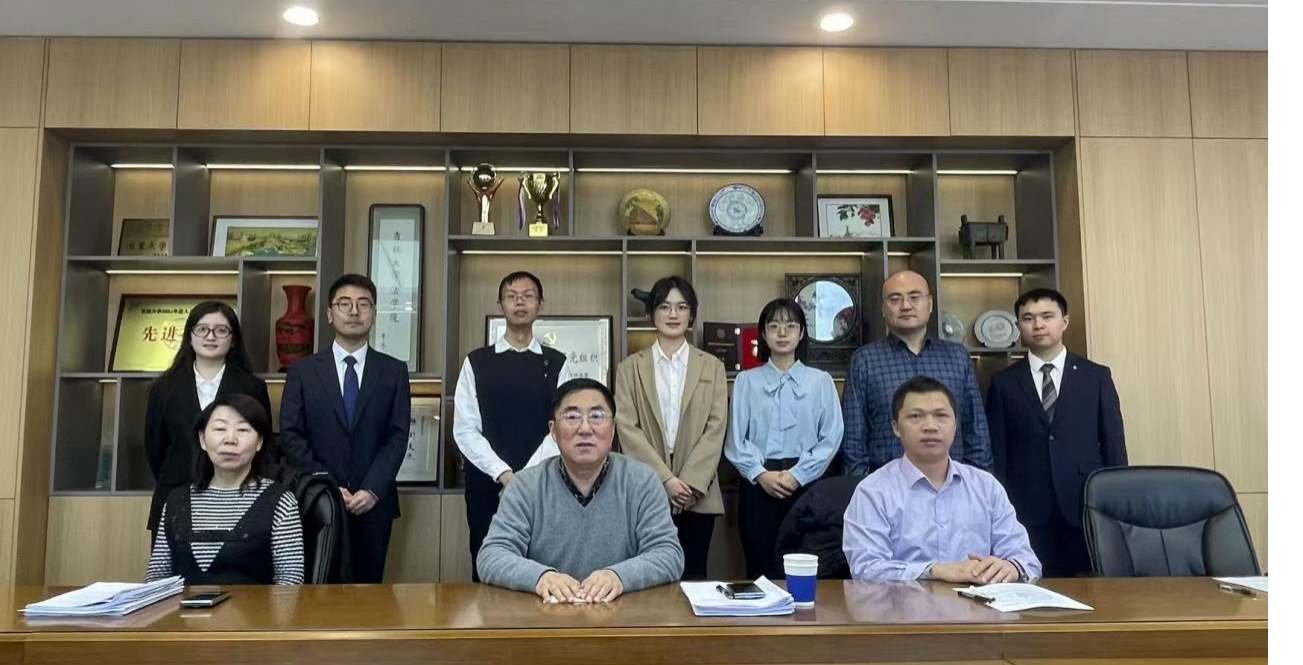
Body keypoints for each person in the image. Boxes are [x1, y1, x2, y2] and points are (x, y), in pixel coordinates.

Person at [477, 379, 684, 601]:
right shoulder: (526, 486)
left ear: (613, 429)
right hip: (545, 615)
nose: (585, 429)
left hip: (622, 616)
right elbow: (492, 556)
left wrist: (619, 576)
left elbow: (668, 554)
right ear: (553, 431)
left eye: (597, 416)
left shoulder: (642, 482)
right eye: (572, 417)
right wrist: (541, 577)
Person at [843, 377, 1041, 583]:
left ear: (955, 425)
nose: (930, 426)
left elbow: (1028, 561)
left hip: (978, 602)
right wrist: (934, 570)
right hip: (903, 603)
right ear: (896, 427)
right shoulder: (873, 492)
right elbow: (865, 569)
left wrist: (1012, 567)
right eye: (915, 416)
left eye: (941, 415)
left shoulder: (986, 487)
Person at [280, 274, 411, 583]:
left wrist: (372, 489)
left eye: (363, 304)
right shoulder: (303, 371)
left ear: (374, 314)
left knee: (368, 593)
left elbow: (397, 436)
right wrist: (327, 485)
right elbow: (291, 434)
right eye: (344, 304)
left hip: (373, 505)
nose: (354, 311)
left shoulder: (394, 371)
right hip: (317, 501)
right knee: (317, 590)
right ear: (329, 313)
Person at [987, 288, 1127, 577]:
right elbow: (998, 452)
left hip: (1084, 502)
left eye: (1047, 316)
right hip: (1026, 506)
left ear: (1064, 322)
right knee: (1031, 584)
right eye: (1028, 318)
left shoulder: (1096, 376)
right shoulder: (1003, 383)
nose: (1038, 325)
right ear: (1018, 326)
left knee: (1091, 588)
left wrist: (1116, 501)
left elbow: (1113, 443)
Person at [453, 271, 572, 581]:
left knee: (544, 568)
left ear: (540, 304)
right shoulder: (476, 362)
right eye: (512, 296)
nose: (520, 302)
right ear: (500, 304)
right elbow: (465, 429)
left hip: (544, 484)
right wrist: (505, 475)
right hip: (487, 485)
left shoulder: (557, 362)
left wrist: (524, 479)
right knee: (487, 565)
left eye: (528, 296)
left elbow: (563, 427)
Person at [614, 276, 726, 580]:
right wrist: (665, 480)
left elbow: (716, 427)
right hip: (647, 490)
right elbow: (627, 427)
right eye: (664, 307)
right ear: (651, 314)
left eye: (681, 307)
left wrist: (688, 484)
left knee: (694, 575)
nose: (673, 314)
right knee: (647, 577)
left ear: (692, 314)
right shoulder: (630, 368)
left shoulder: (712, 366)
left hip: (698, 494)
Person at [725, 298, 844, 579]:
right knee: (760, 567)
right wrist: (760, 474)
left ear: (801, 333)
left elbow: (831, 437)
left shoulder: (821, 381)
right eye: (774, 326)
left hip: (809, 483)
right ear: (763, 333)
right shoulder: (746, 381)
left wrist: (798, 475)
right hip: (759, 483)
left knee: (808, 568)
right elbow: (736, 440)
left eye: (790, 326)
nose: (782, 333)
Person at [841, 270, 991, 475]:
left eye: (914, 297)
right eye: (895, 299)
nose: (906, 306)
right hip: (886, 487)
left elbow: (976, 429)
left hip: (951, 484)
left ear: (930, 304)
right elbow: (853, 440)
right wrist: (861, 486)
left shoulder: (958, 357)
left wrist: (977, 482)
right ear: (883, 309)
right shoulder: (864, 361)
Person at [146, 394, 303, 585]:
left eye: (243, 430)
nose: (230, 439)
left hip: (257, 606)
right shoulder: (176, 501)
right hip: (183, 606)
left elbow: (290, 582)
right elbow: (156, 579)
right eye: (220, 429)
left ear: (259, 442)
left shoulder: (280, 500)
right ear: (202, 439)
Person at [145, 300, 271, 534]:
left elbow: (263, 446)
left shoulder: (253, 387)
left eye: (221, 330)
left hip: (238, 498)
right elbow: (155, 448)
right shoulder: (163, 388)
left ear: (233, 340)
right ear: (189, 336)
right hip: (175, 495)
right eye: (202, 329)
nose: (210, 336)